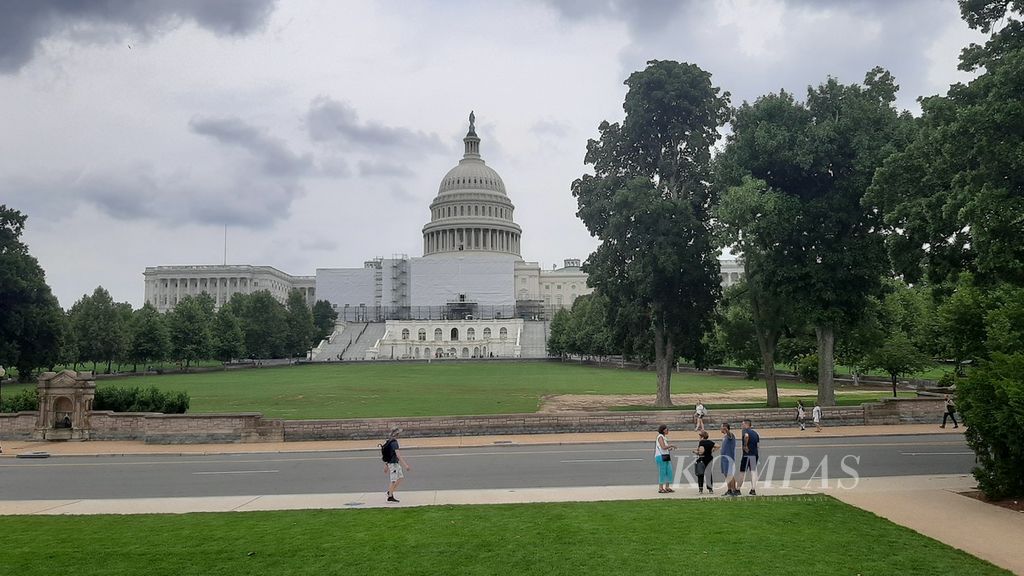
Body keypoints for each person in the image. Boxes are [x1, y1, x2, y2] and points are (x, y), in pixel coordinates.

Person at [382, 427, 412, 502]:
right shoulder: (394, 443)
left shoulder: (389, 441)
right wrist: (405, 465)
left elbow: (387, 454)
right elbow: (398, 455)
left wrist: (386, 465)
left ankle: (390, 491)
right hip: (393, 464)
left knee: (400, 477)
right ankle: (390, 496)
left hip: (395, 463)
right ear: (397, 434)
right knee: (393, 480)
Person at [737, 419, 760, 496]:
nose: (741, 426)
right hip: (754, 454)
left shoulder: (745, 431)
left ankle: (738, 489)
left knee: (742, 472)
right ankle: (753, 489)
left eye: (742, 424)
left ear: (747, 425)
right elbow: (757, 445)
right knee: (753, 472)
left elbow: (746, 436)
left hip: (746, 455)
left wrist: (745, 445)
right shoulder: (755, 433)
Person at [654, 424, 676, 494]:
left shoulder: (664, 437)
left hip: (665, 456)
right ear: (663, 430)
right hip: (660, 456)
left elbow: (664, 448)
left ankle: (667, 487)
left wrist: (669, 449)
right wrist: (671, 445)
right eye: (666, 429)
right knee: (662, 472)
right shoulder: (660, 437)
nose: (668, 431)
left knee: (669, 471)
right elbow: (663, 447)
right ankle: (660, 488)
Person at [692, 430, 715, 494]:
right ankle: (710, 489)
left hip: (702, 459)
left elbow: (701, 452)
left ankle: (700, 489)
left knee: (700, 474)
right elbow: (718, 446)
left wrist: (695, 452)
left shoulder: (701, 442)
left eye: (700, 436)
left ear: (702, 437)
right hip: (709, 459)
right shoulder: (710, 442)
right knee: (708, 474)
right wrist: (712, 450)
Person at [720, 422, 738, 496]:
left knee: (730, 474)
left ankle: (734, 490)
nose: (720, 429)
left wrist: (727, 430)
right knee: (726, 474)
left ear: (725, 428)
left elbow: (729, 434)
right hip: (723, 458)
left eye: (721, 427)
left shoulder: (730, 435)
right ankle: (729, 490)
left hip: (729, 458)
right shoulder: (724, 436)